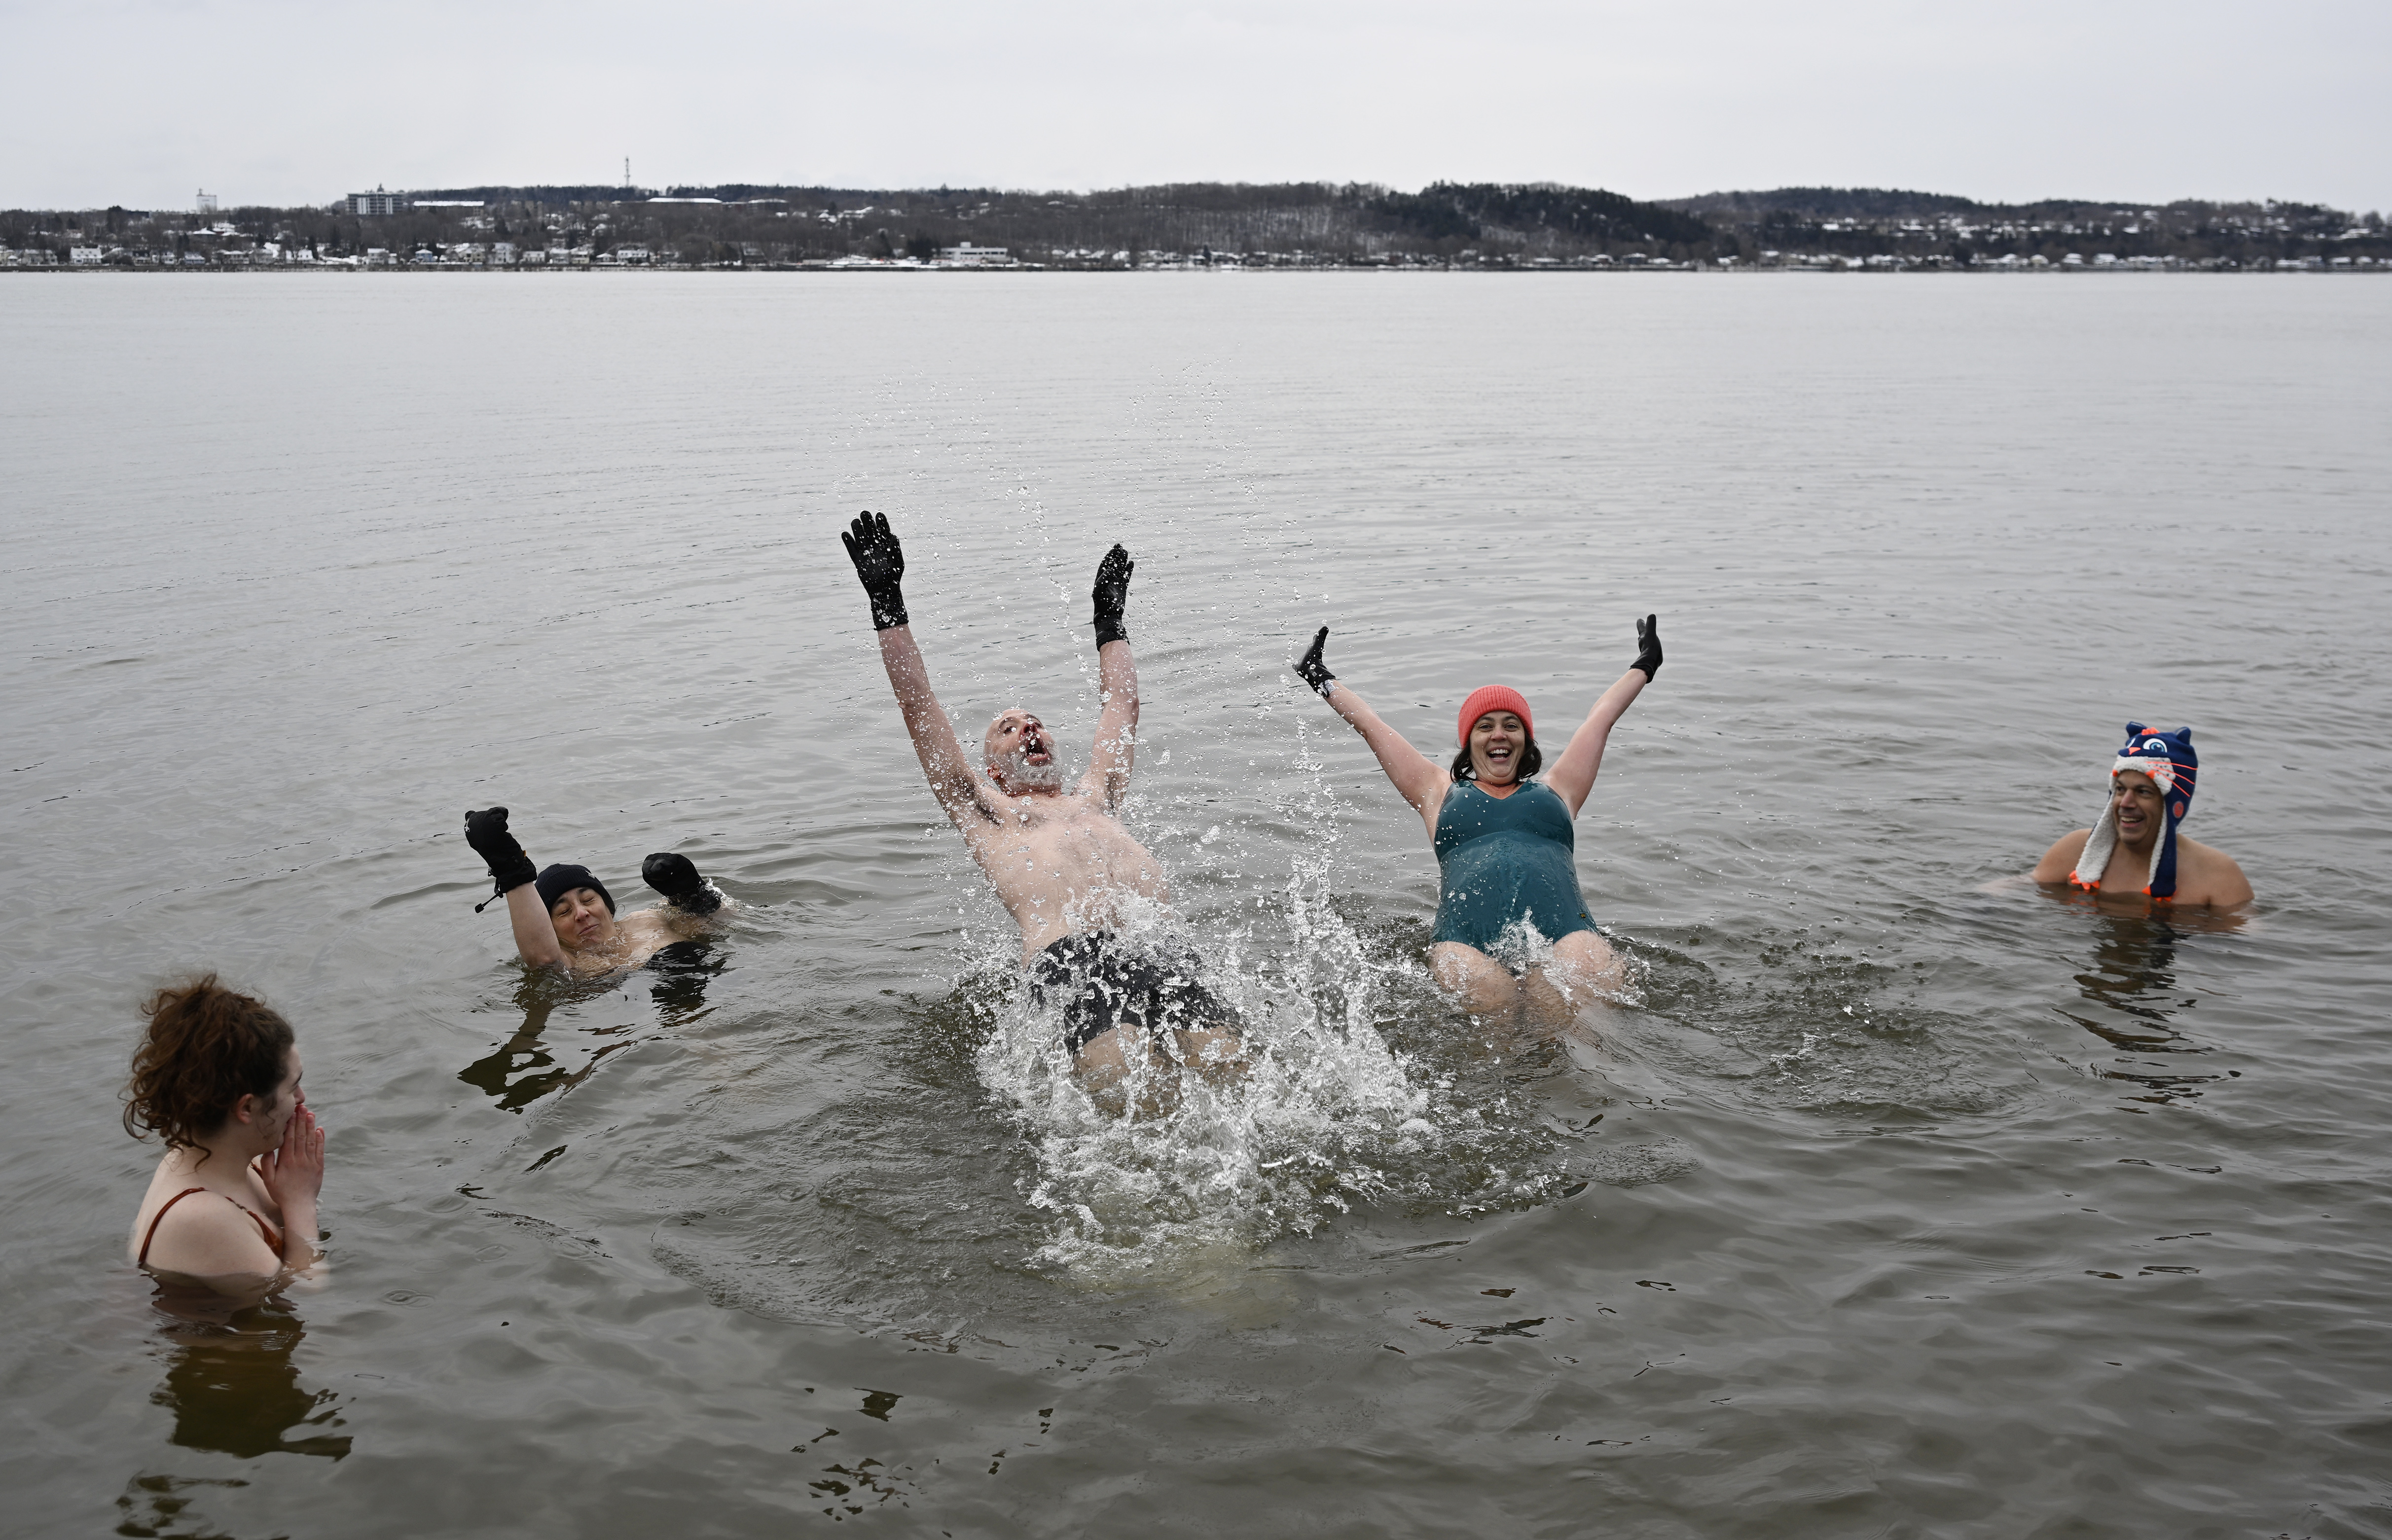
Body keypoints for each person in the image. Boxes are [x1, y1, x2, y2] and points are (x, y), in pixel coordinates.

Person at [840, 511, 1242, 1110]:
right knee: (1135, 1098)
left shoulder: (1097, 795)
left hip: (1161, 947)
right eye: (1008, 728)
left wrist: (1109, 622)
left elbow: (1123, 707)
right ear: (995, 769)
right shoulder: (987, 809)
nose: (1027, 726)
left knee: (1235, 1074)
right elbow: (917, 706)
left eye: (1035, 721)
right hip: (1072, 959)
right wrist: (887, 605)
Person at [1290, 616, 1663, 1019]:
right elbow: (1371, 725)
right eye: (1485, 726)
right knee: (1493, 1012)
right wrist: (1319, 677)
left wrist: (1644, 665)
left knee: (1575, 1006)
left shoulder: (1560, 788)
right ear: (1469, 744)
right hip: (1465, 944)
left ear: (1526, 740)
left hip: (1568, 935)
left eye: (1511, 725)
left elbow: (1601, 718)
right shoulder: (1437, 790)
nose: (1499, 734)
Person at [125, 975, 326, 1299]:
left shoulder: (213, 1159)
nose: (301, 1097)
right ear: (247, 1107)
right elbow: (308, 1295)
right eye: (293, 1086)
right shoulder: (201, 1216)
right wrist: (301, 1202)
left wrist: (295, 1189)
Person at [461, 807, 731, 974]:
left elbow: (724, 922)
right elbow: (543, 958)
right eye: (564, 912)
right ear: (550, 929)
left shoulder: (650, 919)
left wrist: (692, 895)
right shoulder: (571, 961)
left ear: (608, 905)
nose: (581, 913)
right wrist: (510, 871)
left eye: (589, 899)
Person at [2033, 723, 2252, 907]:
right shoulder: (2075, 850)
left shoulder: (2219, 876)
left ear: (2171, 805)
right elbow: (2019, 891)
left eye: (2143, 792)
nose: (2126, 803)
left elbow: (2246, 946)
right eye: (2120, 790)